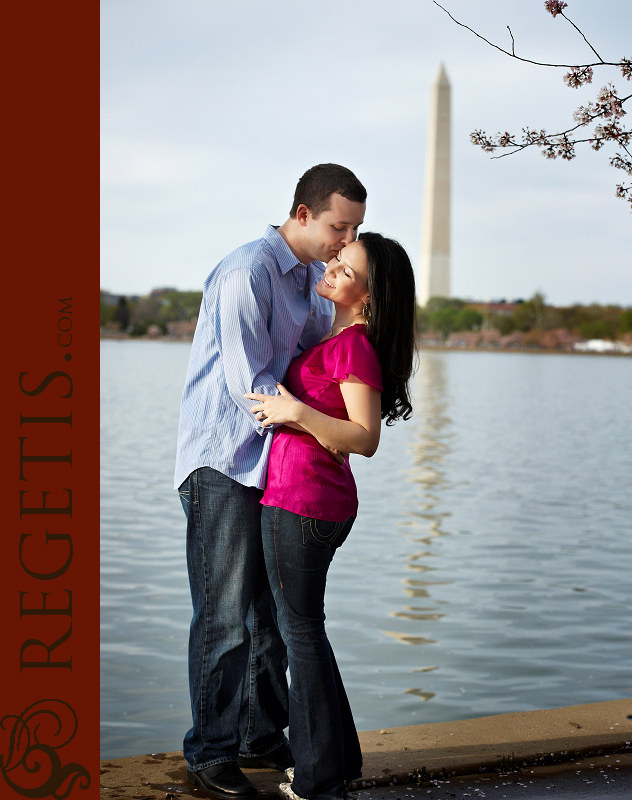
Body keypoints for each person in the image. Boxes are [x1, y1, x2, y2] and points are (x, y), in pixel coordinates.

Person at [174, 164, 367, 800]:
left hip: (277, 464)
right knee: (225, 615)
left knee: (268, 615)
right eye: (341, 226)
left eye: (356, 229)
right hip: (226, 461)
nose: (347, 240)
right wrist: (312, 429)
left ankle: (261, 733)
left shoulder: (317, 279)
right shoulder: (247, 272)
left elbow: (317, 368)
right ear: (305, 214)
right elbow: (250, 383)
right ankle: (210, 752)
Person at [245, 232, 417, 800]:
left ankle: (318, 779)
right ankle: (338, 760)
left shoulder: (352, 346)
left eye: (348, 269)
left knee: (301, 635)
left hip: (305, 501)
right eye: (338, 260)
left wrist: (293, 409)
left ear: (368, 296)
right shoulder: (337, 337)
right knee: (306, 633)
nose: (335, 267)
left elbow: (365, 438)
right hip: (302, 498)